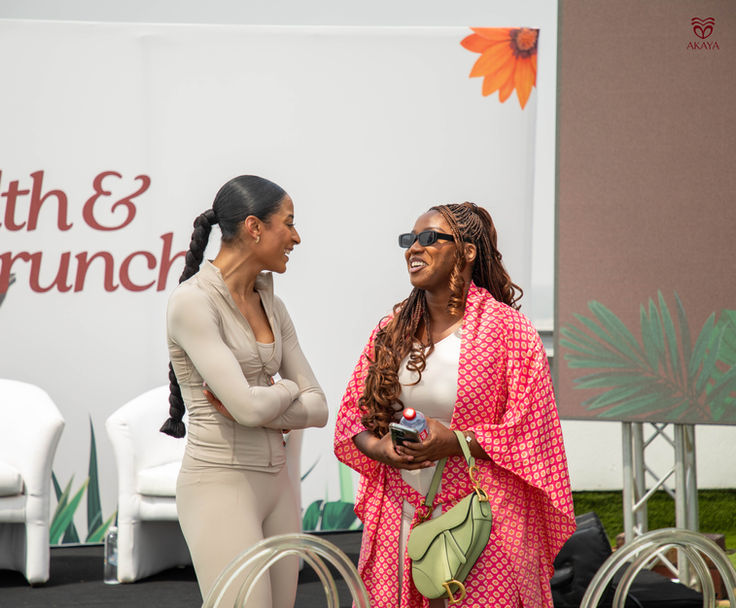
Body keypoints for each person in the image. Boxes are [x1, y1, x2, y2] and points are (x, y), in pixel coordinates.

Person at [334, 202, 575, 608]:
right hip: (401, 514)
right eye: (409, 240)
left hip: (481, 520)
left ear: (467, 252)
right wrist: (381, 449)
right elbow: (351, 421)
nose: (414, 248)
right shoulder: (391, 330)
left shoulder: (510, 332)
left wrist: (453, 442)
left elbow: (532, 433)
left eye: (429, 238)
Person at [161, 175, 329, 607]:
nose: (296, 237)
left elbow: (318, 408)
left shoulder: (273, 304)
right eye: (288, 223)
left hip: (279, 487)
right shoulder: (192, 301)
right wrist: (287, 388)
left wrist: (263, 401)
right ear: (255, 227)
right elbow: (250, 409)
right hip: (219, 485)